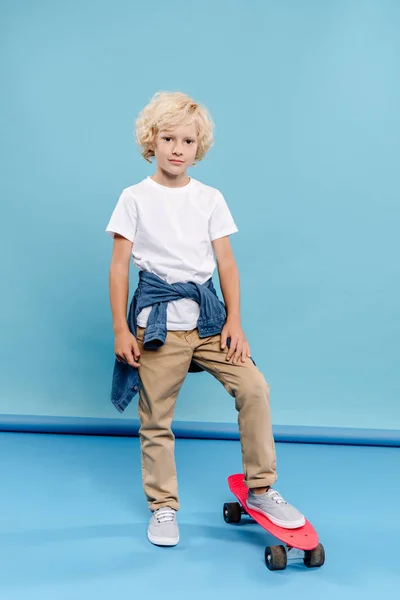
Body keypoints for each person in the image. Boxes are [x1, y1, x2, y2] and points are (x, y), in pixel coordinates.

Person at [105, 91, 305, 547]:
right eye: (168, 137)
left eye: (188, 140)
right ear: (150, 141)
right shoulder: (134, 198)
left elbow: (227, 264)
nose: (178, 148)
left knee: (254, 386)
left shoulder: (210, 198)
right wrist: (120, 327)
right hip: (157, 323)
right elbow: (119, 266)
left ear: (200, 147)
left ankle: (261, 489)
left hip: (210, 321)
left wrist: (235, 321)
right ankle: (163, 507)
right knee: (156, 417)